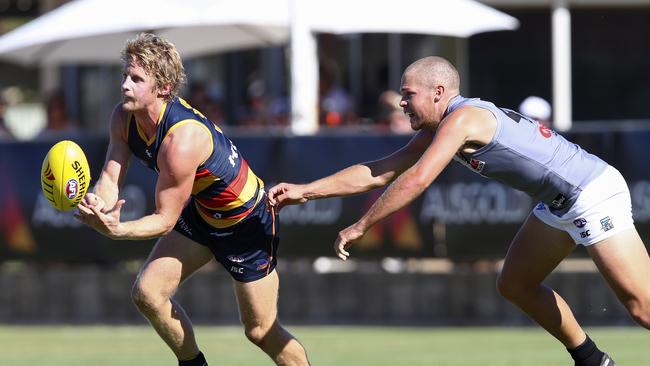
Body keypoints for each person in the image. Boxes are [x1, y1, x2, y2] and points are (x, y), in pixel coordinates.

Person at [269, 56, 650, 366]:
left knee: (642, 309)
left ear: (438, 92)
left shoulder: (463, 119)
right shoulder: (442, 126)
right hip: (558, 202)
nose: (402, 103)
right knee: (515, 283)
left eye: (408, 94)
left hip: (591, 191)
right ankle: (592, 360)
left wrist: (361, 225)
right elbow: (377, 172)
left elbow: (417, 180)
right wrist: (306, 191)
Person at [74, 33, 310, 366]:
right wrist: (98, 203)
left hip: (246, 222)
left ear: (164, 88)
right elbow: (110, 179)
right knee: (148, 294)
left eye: (137, 79)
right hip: (203, 213)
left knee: (260, 332)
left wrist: (117, 230)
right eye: (125, 75)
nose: (125, 85)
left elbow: (165, 219)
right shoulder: (123, 117)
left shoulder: (181, 140)